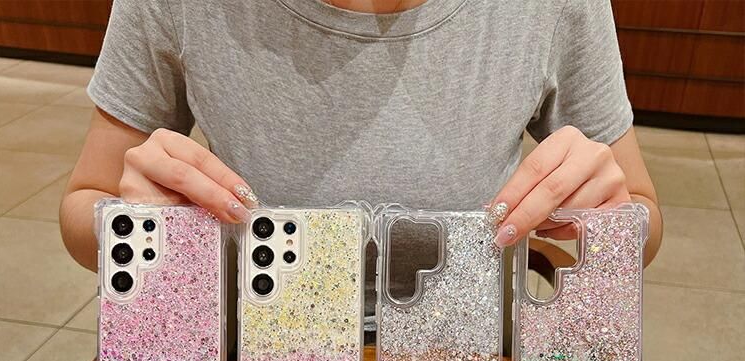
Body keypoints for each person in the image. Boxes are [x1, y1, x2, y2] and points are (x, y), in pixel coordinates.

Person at [60, 0, 661, 273]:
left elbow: (643, 217)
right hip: (247, 358)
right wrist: (130, 222)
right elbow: (84, 204)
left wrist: (609, 219)